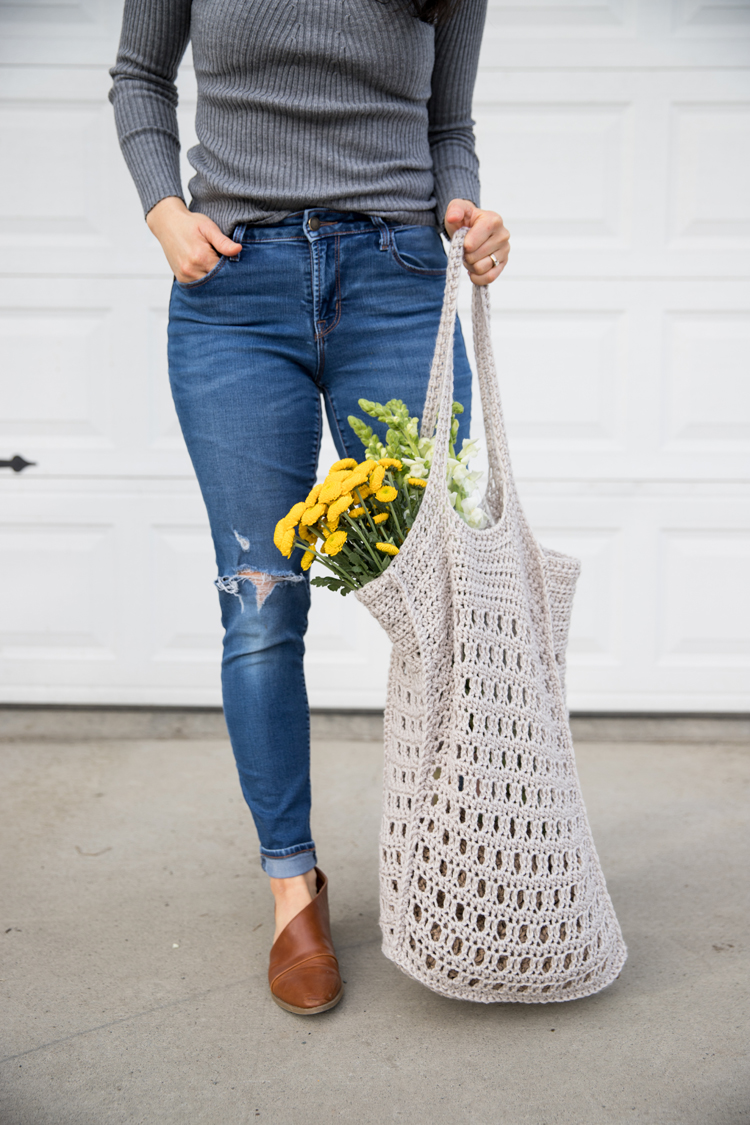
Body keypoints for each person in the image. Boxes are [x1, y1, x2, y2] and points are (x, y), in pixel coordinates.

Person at [110, 0, 509, 1016]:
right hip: (236, 295)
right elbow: (139, 76)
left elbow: (446, 126)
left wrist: (467, 207)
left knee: (440, 592)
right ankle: (294, 888)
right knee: (261, 601)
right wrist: (164, 210)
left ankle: (456, 863)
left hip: (401, 282)